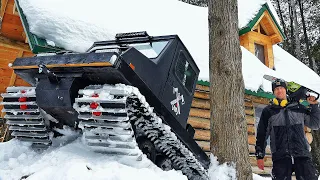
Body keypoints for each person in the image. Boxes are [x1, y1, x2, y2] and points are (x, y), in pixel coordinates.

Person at [255, 78, 320, 180]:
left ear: (285, 90)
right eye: (276, 89)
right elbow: (262, 134)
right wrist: (260, 156)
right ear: (273, 92)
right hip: (280, 157)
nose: (279, 90)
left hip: (302, 154)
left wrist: (314, 105)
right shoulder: (268, 111)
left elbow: (315, 124)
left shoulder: (298, 108)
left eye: (281, 88)